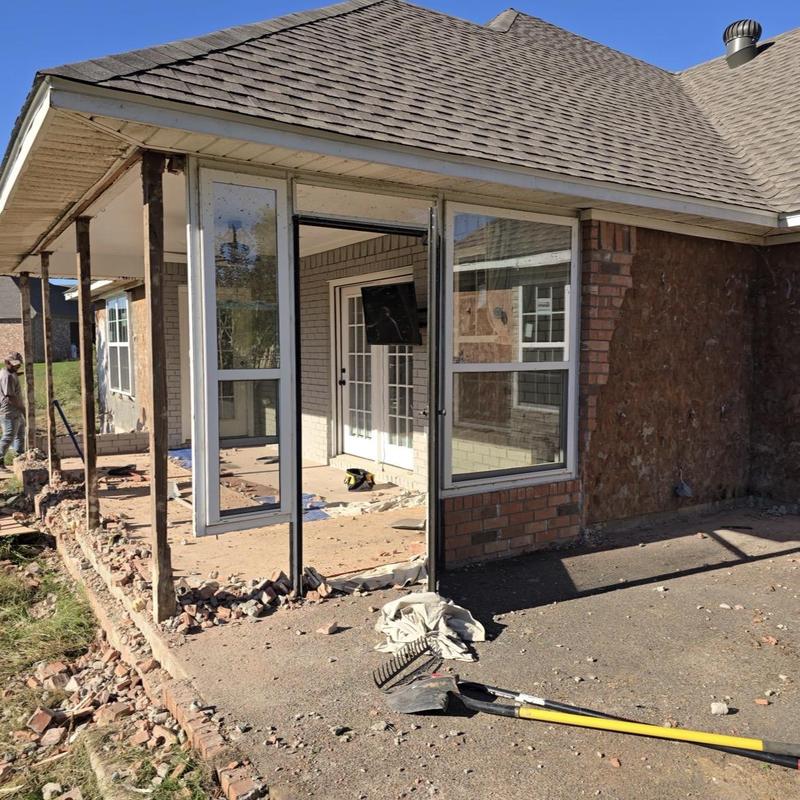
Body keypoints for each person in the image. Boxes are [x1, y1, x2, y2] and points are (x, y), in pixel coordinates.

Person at [0, 352, 26, 471]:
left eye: (18, 364)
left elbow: (12, 374)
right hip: (9, 410)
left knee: (20, 433)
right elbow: (10, 397)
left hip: (15, 410)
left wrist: (17, 373)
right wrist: (22, 408)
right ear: (7, 362)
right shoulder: (8, 377)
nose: (17, 367)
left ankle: (19, 458)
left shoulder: (9, 372)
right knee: (9, 436)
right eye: (14, 364)